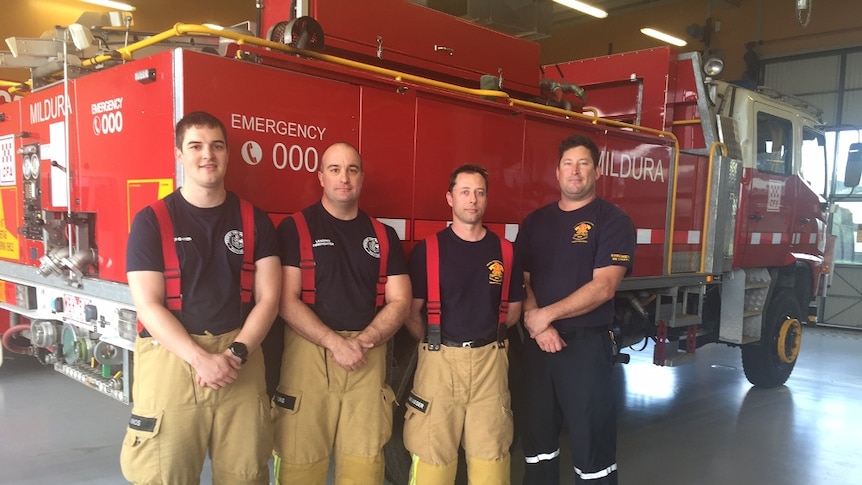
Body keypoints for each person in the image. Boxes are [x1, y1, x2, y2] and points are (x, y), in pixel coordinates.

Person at [122, 111, 281, 484]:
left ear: (227, 155)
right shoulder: (151, 221)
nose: (207, 155)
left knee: (246, 473)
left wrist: (236, 353)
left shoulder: (255, 221)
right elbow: (147, 304)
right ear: (179, 154)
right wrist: (200, 360)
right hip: (173, 360)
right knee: (165, 473)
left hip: (239, 359)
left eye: (216, 146)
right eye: (195, 146)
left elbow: (269, 299)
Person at [272, 142, 411, 484]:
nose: (344, 178)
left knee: (364, 464)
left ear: (362, 177)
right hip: (309, 357)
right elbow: (286, 300)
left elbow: (400, 300)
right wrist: (335, 343)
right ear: (321, 177)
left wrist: (365, 341)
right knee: (299, 460)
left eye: (352, 169)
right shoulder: (295, 229)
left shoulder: (384, 235)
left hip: (367, 356)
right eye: (334, 169)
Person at [514, 134, 635, 485]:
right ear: (557, 172)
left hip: (585, 349)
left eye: (583, 164)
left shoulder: (613, 221)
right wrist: (539, 326)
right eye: (568, 163)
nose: (575, 171)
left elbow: (604, 287)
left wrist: (545, 316)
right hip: (538, 347)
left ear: (596, 171)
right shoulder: (535, 222)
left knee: (591, 448)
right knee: (537, 446)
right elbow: (522, 279)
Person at [403, 164, 525, 484]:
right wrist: (433, 344)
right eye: (465, 192)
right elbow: (410, 312)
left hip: (490, 365)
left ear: (486, 199)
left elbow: (513, 310)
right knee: (433, 456)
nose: (473, 200)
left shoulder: (506, 252)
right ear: (450, 198)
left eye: (480, 192)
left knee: (492, 458)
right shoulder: (427, 251)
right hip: (439, 365)